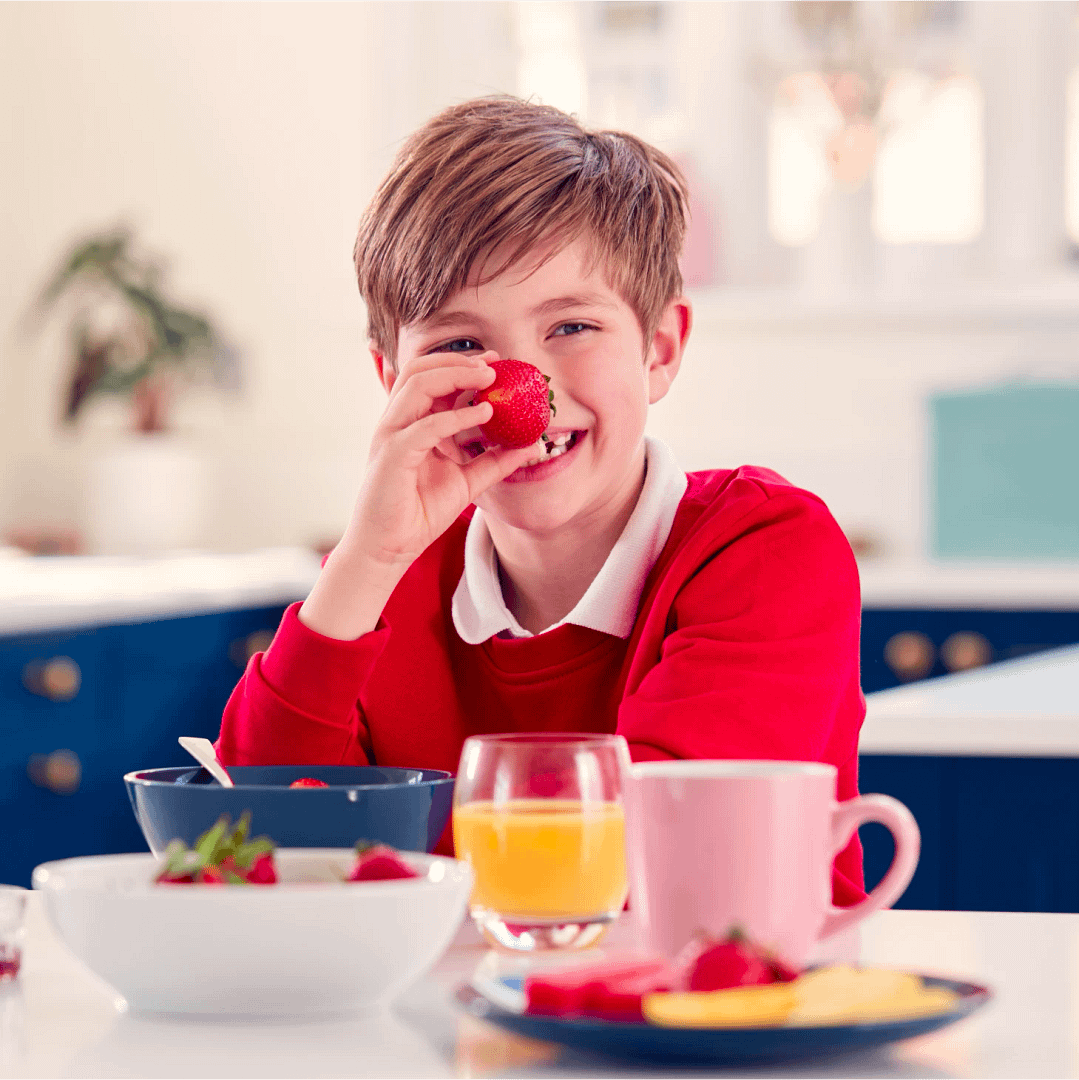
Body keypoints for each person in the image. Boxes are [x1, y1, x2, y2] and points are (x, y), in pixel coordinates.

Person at [216, 95, 866, 904]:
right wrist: (366, 561)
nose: (520, 392)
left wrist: (374, 859)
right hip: (446, 1023)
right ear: (393, 384)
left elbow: (654, 853)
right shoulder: (386, 584)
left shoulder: (765, 548)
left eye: (570, 328)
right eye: (460, 345)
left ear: (658, 351)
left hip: (719, 1018)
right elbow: (256, 842)